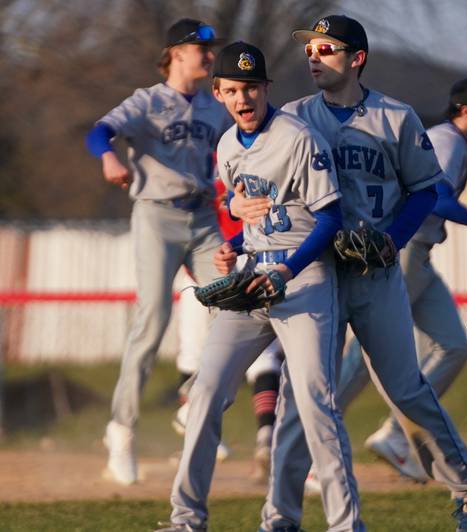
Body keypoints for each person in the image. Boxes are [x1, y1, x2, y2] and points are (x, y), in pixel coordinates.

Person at [230, 15, 467, 532]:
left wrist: (391, 242)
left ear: (357, 59)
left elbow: (425, 192)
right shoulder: (293, 116)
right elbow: (252, 177)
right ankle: (281, 516)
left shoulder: (396, 118)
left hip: (375, 274)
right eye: (311, 48)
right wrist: (237, 211)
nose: (314, 56)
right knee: (299, 398)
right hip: (315, 274)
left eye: (326, 48)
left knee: (406, 391)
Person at [157, 41, 362, 532]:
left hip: (304, 278)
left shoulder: (298, 138)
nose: (242, 98)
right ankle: (186, 519)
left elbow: (330, 218)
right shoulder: (226, 146)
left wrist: (287, 270)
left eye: (250, 87)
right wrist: (232, 249)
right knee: (205, 391)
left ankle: (345, 525)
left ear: (266, 88)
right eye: (231, 90)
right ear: (219, 93)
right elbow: (242, 216)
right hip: (251, 279)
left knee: (314, 404)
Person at [331, 77, 467, 483]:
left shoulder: (451, 141)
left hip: (419, 256)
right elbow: (438, 198)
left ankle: (394, 436)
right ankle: (310, 434)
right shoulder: (446, 141)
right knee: (363, 355)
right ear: (466, 111)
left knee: (451, 347)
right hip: (402, 250)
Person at [85, 18, 233, 486]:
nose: (208, 55)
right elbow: (99, 132)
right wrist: (109, 156)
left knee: (234, 312)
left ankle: (193, 402)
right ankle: (121, 431)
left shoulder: (215, 107)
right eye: (199, 48)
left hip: (204, 217)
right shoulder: (148, 101)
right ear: (174, 53)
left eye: (211, 49)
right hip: (157, 214)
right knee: (152, 324)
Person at [173, 179, 284, 475]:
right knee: (260, 357)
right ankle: (265, 436)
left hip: (227, 265)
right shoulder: (253, 161)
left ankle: (195, 425)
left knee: (198, 355)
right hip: (236, 264)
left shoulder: (208, 162)